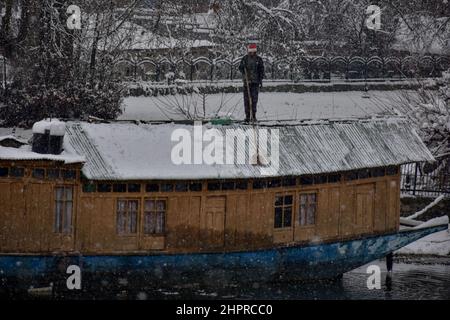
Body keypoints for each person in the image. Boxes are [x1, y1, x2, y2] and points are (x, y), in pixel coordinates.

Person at [239, 43, 265, 122]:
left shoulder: (258, 59)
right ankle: (247, 116)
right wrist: (243, 67)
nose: (251, 53)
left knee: (254, 100)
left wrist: (260, 80)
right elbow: (240, 68)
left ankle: (253, 116)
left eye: (253, 51)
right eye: (250, 51)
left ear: (255, 51)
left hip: (255, 83)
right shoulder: (245, 59)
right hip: (247, 82)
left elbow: (261, 70)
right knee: (246, 100)